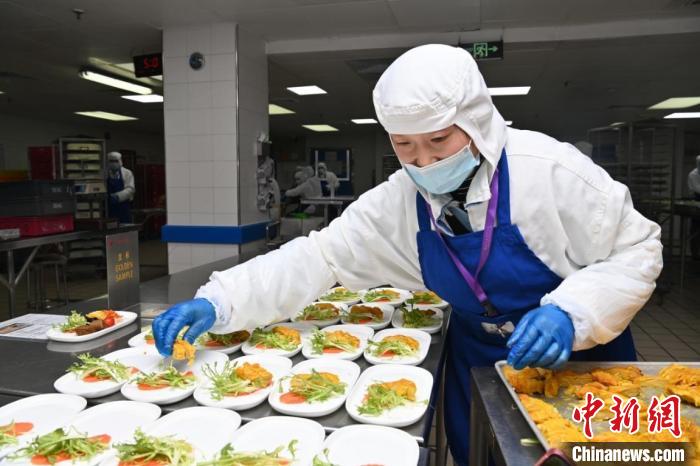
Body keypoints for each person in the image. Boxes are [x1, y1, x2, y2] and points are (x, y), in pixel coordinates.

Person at [152, 45, 662, 464]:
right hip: (477, 360)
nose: (424, 162)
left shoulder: (551, 172)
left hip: (581, 357)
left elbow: (637, 249)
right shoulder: (397, 201)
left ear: (477, 122)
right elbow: (317, 258)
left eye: (439, 141)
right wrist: (220, 301)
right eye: (405, 146)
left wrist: (573, 314)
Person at [106, 151, 135, 224]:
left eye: (115, 161)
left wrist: (117, 196)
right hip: (109, 208)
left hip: (123, 207)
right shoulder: (105, 173)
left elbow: (130, 189)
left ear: (120, 161)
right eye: (111, 161)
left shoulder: (127, 173)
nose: (113, 163)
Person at [688, 155, 700, 259]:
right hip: (697, 202)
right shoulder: (693, 174)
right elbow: (697, 189)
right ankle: (695, 255)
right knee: (695, 230)